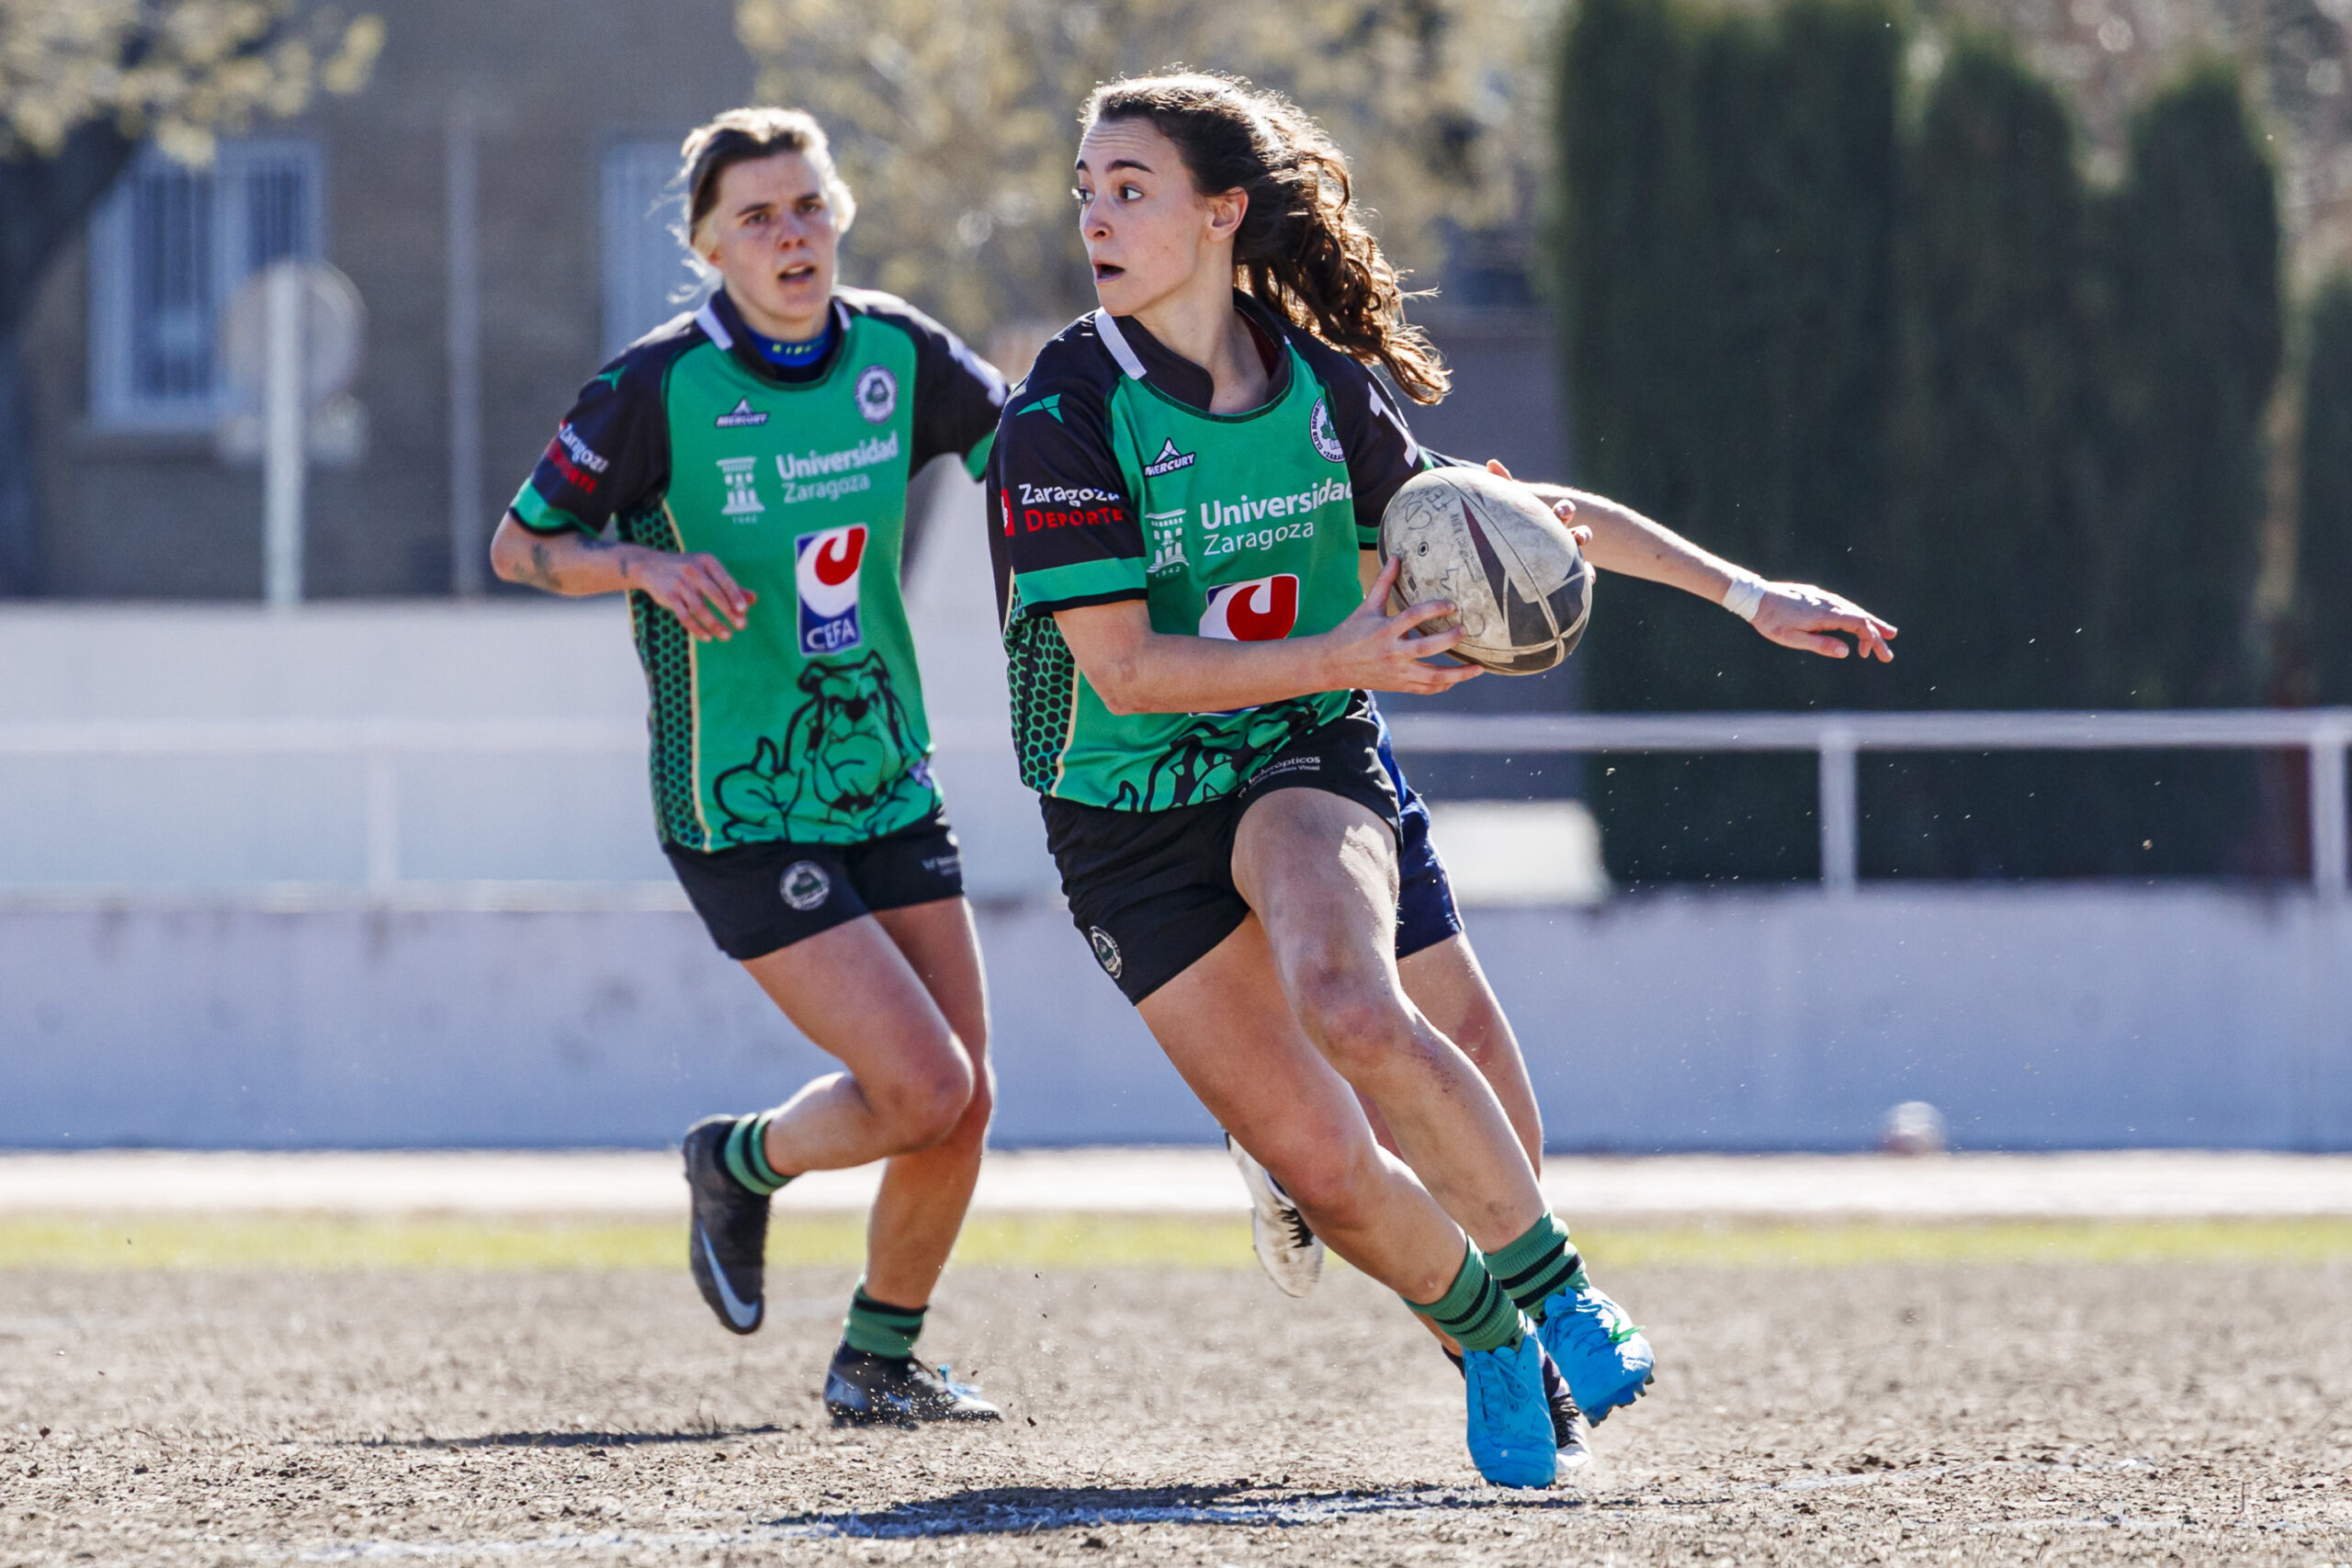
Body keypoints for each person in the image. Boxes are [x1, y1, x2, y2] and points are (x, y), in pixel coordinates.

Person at [987, 72, 1616, 1488]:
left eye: (1128, 186)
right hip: (1125, 813)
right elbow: (1129, 673)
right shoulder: (1063, 415)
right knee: (1331, 1168)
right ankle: (1487, 1336)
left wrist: (1742, 589)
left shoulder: (1325, 385)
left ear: (1221, 213)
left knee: (1367, 1003)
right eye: (1085, 186)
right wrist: (1346, 641)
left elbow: (1510, 517)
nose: (1094, 212)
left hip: (1300, 752)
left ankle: (1555, 1293)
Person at [490, 107, 1010, 1426]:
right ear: (710, 242)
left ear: (840, 214)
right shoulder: (658, 386)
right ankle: (737, 1159)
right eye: (760, 216)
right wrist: (642, 562)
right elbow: (520, 544)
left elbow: (1036, 467)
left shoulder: (900, 353)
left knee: (964, 1099)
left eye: (810, 205)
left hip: (889, 772)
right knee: (921, 1083)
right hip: (742, 802)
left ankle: (877, 1357)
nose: (792, 233)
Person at [1227, 470, 1896, 1406]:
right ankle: (1504, 1370)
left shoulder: (1341, 420)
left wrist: (1751, 597)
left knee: (1498, 1137)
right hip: (1209, 773)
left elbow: (1555, 515)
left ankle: (1309, 1151)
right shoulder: (1173, 431)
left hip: (1344, 759)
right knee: (1362, 1119)